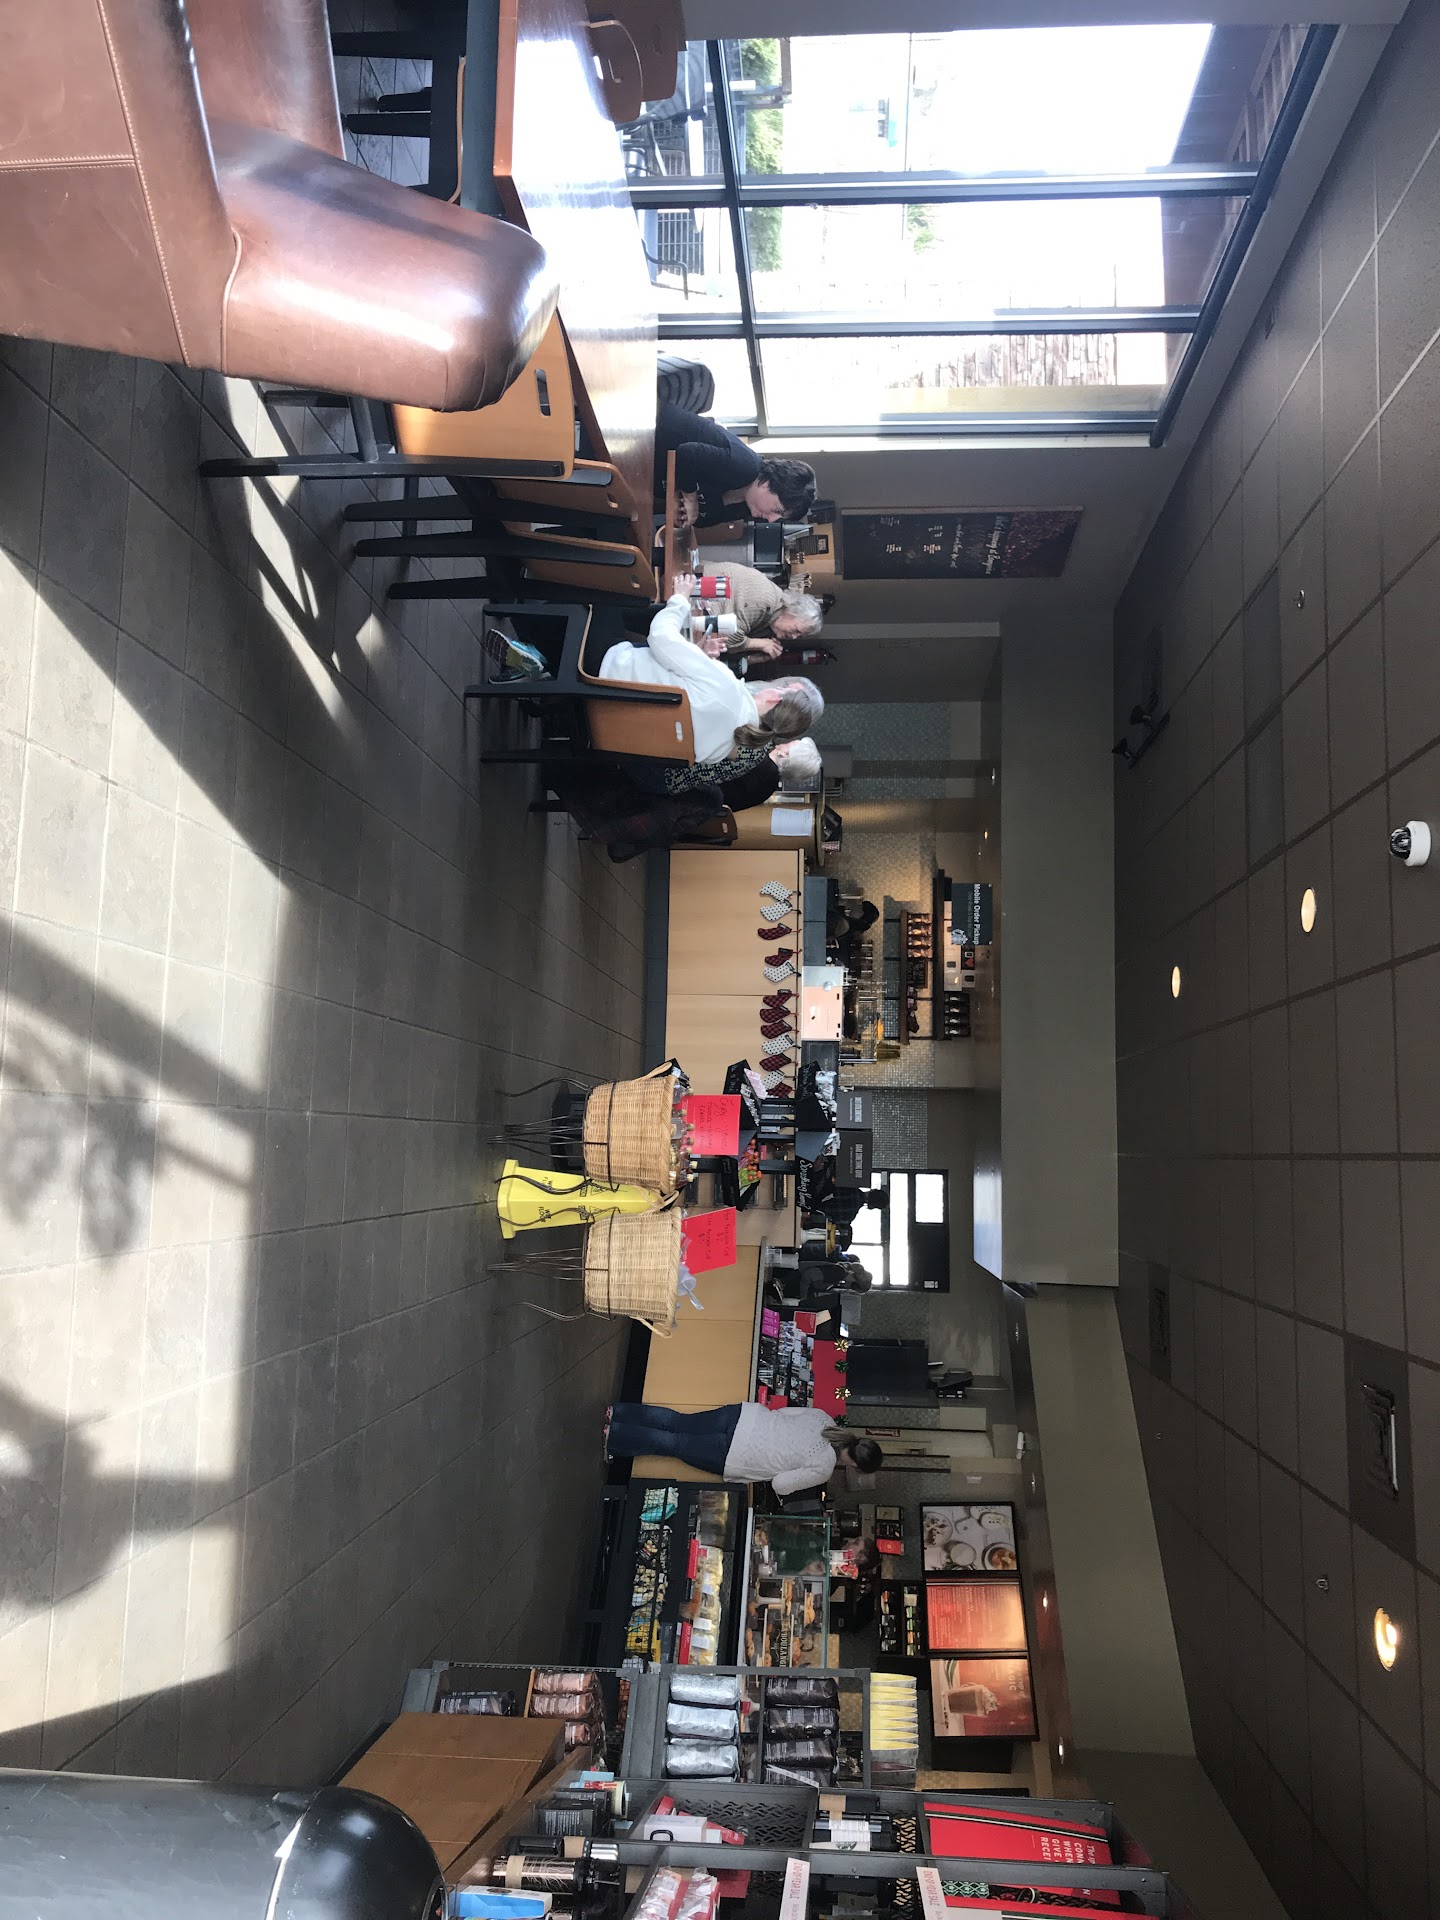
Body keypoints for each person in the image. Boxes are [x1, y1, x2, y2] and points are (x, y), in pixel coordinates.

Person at [597, 576, 823, 765]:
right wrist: (698, 656)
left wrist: (680, 600)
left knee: (604, 596)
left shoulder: (727, 685)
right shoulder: (720, 752)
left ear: (776, 696)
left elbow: (660, 637)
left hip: (605, 671)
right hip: (605, 727)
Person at [604, 1401, 883, 1497]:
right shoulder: (823, 1467)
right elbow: (780, 1485)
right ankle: (615, 1433)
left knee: (678, 1422)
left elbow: (783, 1412)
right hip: (738, 1453)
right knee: (675, 1444)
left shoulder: (824, 1418)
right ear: (855, 1465)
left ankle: (618, 1413)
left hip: (743, 1417)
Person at [655, 400, 817, 529]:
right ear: (767, 483)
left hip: (648, 475)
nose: (772, 519)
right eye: (777, 510)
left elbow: (702, 520)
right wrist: (690, 499)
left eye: (780, 517)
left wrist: (686, 513)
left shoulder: (745, 506)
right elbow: (686, 454)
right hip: (649, 432)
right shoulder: (746, 467)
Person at [717, 561, 825, 666]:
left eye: (799, 636)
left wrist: (752, 659)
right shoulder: (765, 602)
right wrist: (759, 644)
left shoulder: (771, 624)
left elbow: (723, 654)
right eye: (797, 630)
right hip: (708, 596)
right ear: (791, 611)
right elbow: (726, 636)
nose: (794, 637)